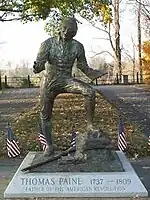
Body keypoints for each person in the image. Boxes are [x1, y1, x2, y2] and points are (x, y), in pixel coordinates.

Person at [33, 17, 104, 158]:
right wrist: (37, 67)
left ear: (75, 33)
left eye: (70, 31)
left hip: (66, 80)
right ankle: (49, 146)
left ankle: (90, 126)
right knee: (44, 114)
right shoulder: (47, 44)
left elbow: (83, 67)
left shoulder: (78, 46)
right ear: (60, 28)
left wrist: (96, 73)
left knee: (90, 92)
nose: (66, 32)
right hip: (49, 81)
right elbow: (39, 65)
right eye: (64, 29)